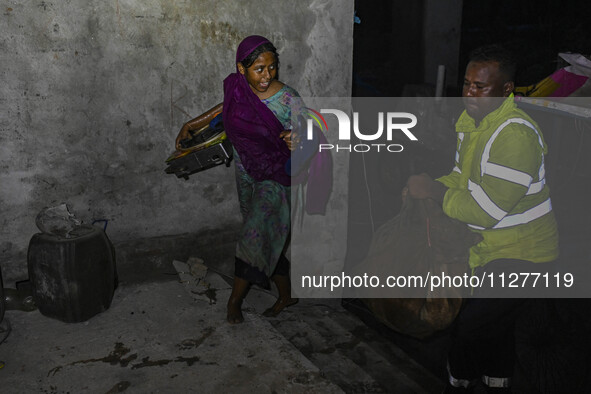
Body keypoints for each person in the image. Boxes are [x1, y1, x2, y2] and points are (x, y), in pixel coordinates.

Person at [404, 44, 559, 393]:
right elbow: (462, 178)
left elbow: (483, 211)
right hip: (489, 247)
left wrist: (434, 192)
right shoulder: (474, 123)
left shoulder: (514, 135)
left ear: (506, 90)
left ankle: (458, 379)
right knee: (495, 327)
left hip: (524, 254)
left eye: (481, 86)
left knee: (469, 324)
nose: (470, 93)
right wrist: (428, 185)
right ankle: (497, 382)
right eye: (468, 84)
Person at [176, 35, 305, 324]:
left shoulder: (288, 98)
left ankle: (234, 302)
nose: (267, 75)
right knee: (264, 236)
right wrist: (191, 124)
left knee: (253, 236)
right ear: (241, 68)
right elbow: (224, 110)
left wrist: (298, 138)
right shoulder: (238, 89)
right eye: (259, 68)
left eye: (272, 67)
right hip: (247, 174)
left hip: (277, 177)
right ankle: (286, 295)